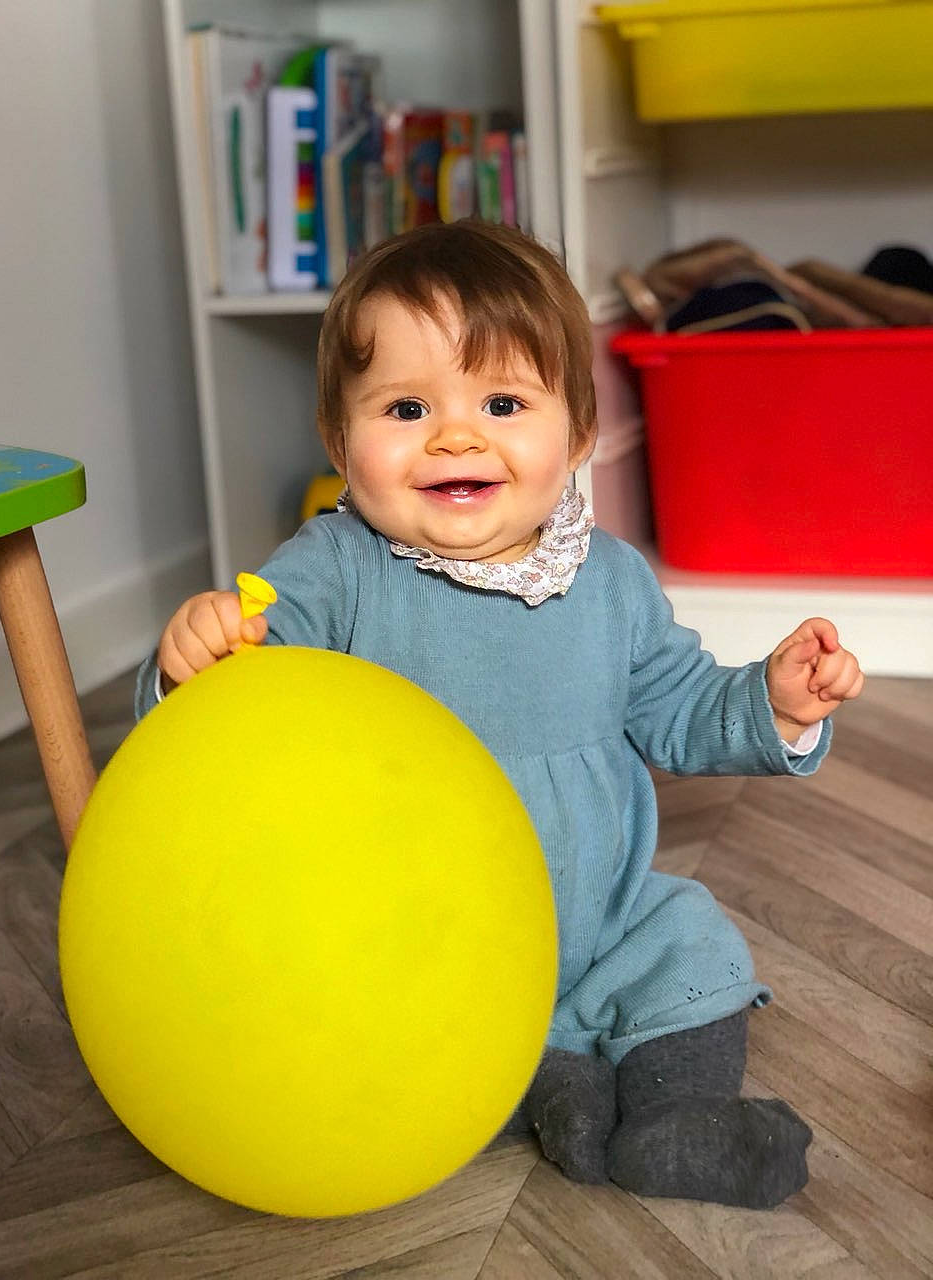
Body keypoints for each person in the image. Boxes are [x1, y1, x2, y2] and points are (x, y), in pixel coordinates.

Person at [136, 219, 864, 1209]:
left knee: (694, 937)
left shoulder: (609, 580)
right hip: (421, 932)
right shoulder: (335, 570)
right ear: (337, 439)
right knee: (404, 1018)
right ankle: (541, 1081)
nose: (456, 435)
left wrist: (771, 704)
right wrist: (199, 658)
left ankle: (672, 1116)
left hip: (603, 920)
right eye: (404, 406)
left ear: (576, 435)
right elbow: (234, 715)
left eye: (503, 401)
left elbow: (679, 705)